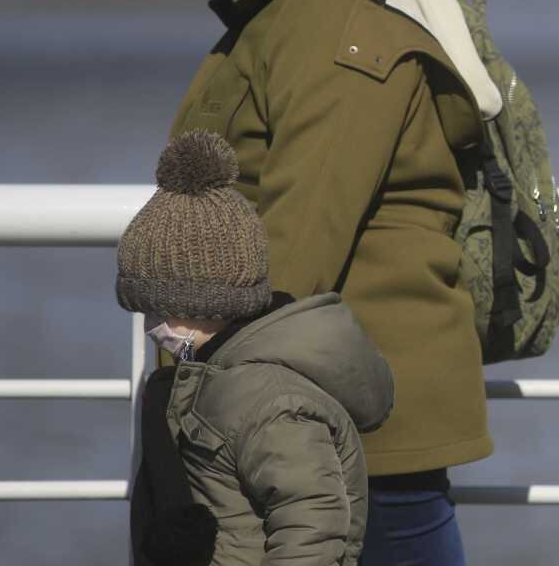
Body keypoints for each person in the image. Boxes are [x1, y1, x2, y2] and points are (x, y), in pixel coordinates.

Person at [169, 0, 504, 565]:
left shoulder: (332, 16)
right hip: (328, 397)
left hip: (346, 412)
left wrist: (202, 360)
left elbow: (304, 224)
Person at [118, 130, 394, 566]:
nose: (153, 328)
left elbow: (313, 528)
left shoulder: (270, 402)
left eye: (161, 311)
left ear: (209, 303)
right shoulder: (213, 376)